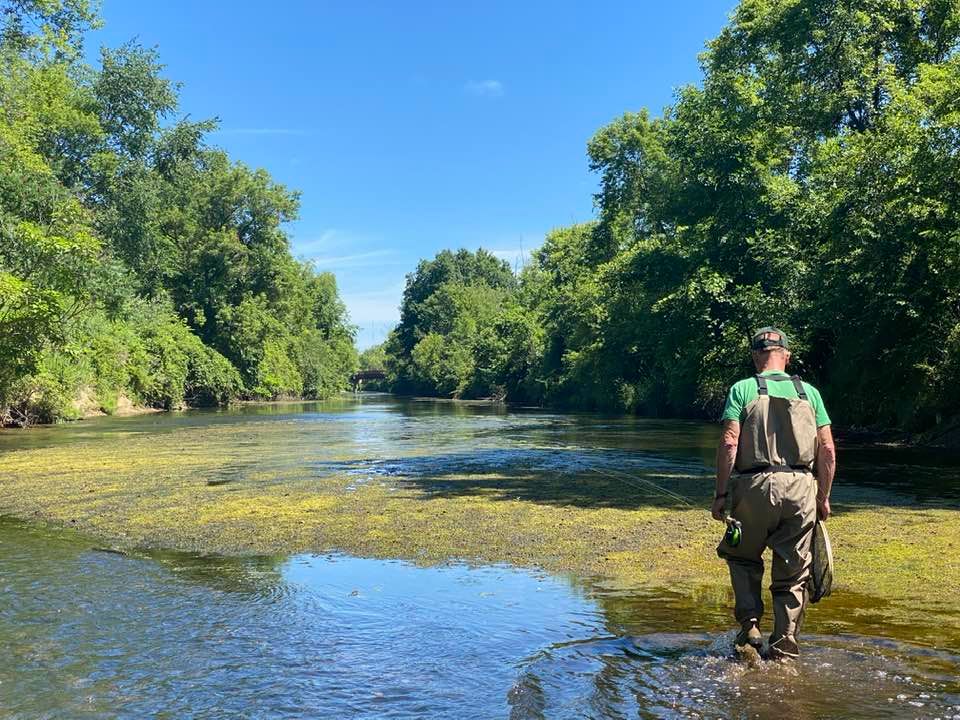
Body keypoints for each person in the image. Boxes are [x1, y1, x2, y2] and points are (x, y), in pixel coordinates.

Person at [711, 327, 836, 660]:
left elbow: (728, 443)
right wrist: (822, 497)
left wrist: (721, 494)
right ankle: (784, 646)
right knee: (794, 572)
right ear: (787, 355)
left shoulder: (742, 389)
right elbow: (827, 449)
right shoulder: (810, 393)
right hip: (801, 488)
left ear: (755, 356)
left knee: (741, 557)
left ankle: (750, 626)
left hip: (753, 487)